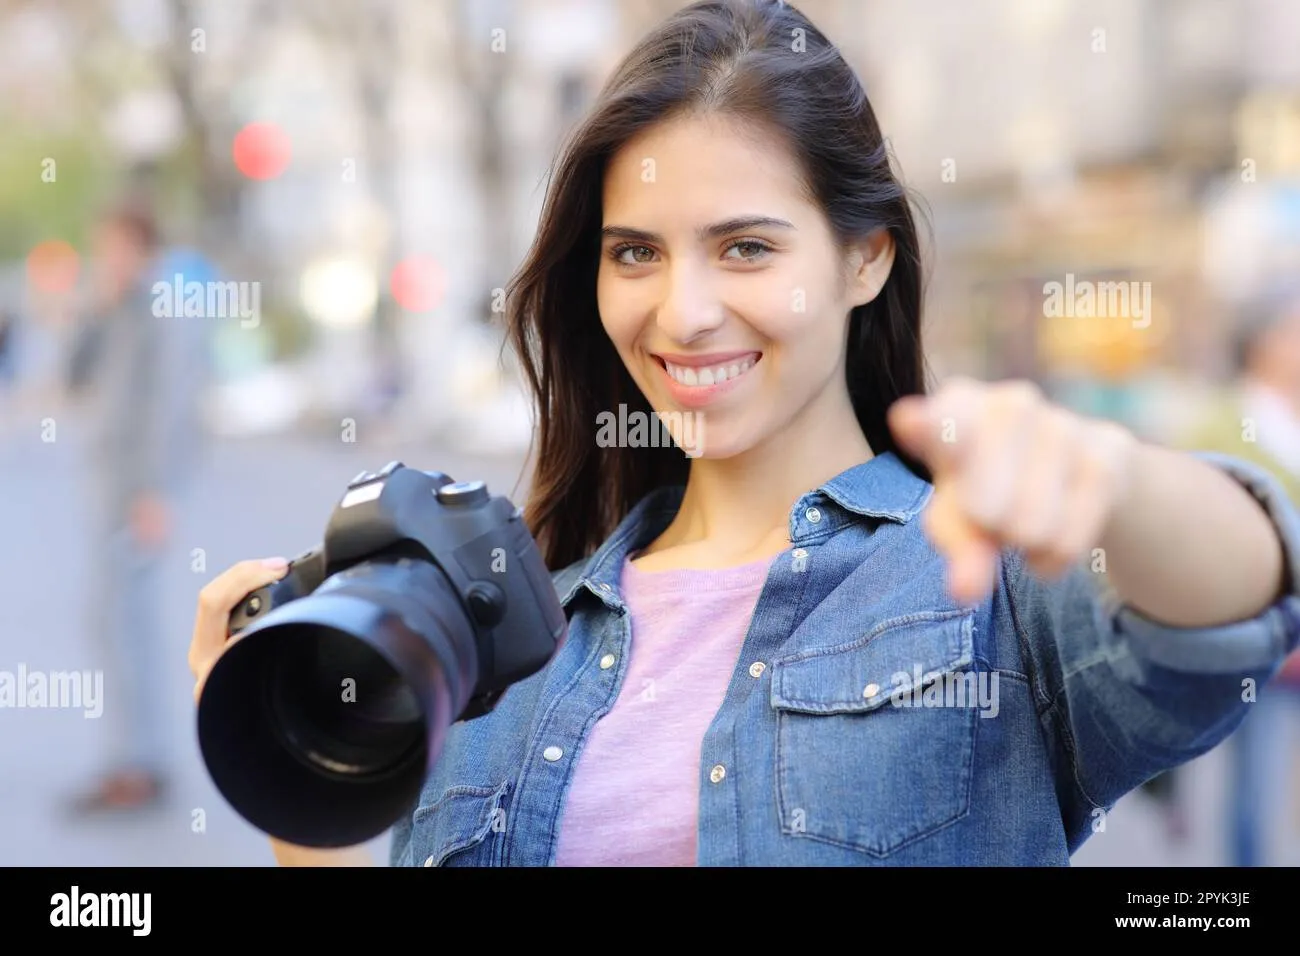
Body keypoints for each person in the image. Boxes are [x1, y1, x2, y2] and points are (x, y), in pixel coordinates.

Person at [188, 0, 1300, 866]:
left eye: (746, 248)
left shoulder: (977, 580)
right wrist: (310, 797)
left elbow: (1235, 598)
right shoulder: (501, 648)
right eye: (635, 252)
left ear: (865, 256)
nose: (681, 311)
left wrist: (1111, 482)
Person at [66, 196, 209, 813]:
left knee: (127, 622)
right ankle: (129, 758)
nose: (110, 258)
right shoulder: (114, 309)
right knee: (109, 621)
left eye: (118, 246)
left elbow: (172, 406)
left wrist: (155, 493)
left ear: (142, 247)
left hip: (138, 495)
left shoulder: (164, 310)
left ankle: (141, 764)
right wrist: (90, 308)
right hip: (107, 488)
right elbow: (73, 375)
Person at [1176, 285, 1300, 865]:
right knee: (1256, 784)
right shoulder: (1220, 424)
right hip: (1263, 645)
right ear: (1263, 342)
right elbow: (1194, 531)